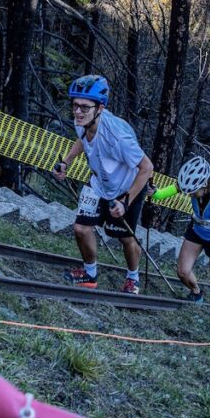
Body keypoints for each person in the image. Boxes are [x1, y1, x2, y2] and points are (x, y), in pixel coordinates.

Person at [53, 75, 154, 295]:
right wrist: (66, 162)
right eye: (75, 105)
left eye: (84, 107)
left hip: (127, 188)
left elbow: (147, 168)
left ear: (100, 108)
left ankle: (133, 278)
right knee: (80, 228)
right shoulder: (84, 121)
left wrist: (126, 202)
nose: (78, 112)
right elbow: (82, 138)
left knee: (125, 238)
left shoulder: (118, 136)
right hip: (99, 183)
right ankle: (90, 275)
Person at [150, 156, 210, 305]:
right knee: (182, 272)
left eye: (193, 192)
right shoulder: (189, 183)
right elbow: (161, 194)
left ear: (204, 185)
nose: (189, 195)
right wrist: (154, 191)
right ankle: (196, 293)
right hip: (196, 230)